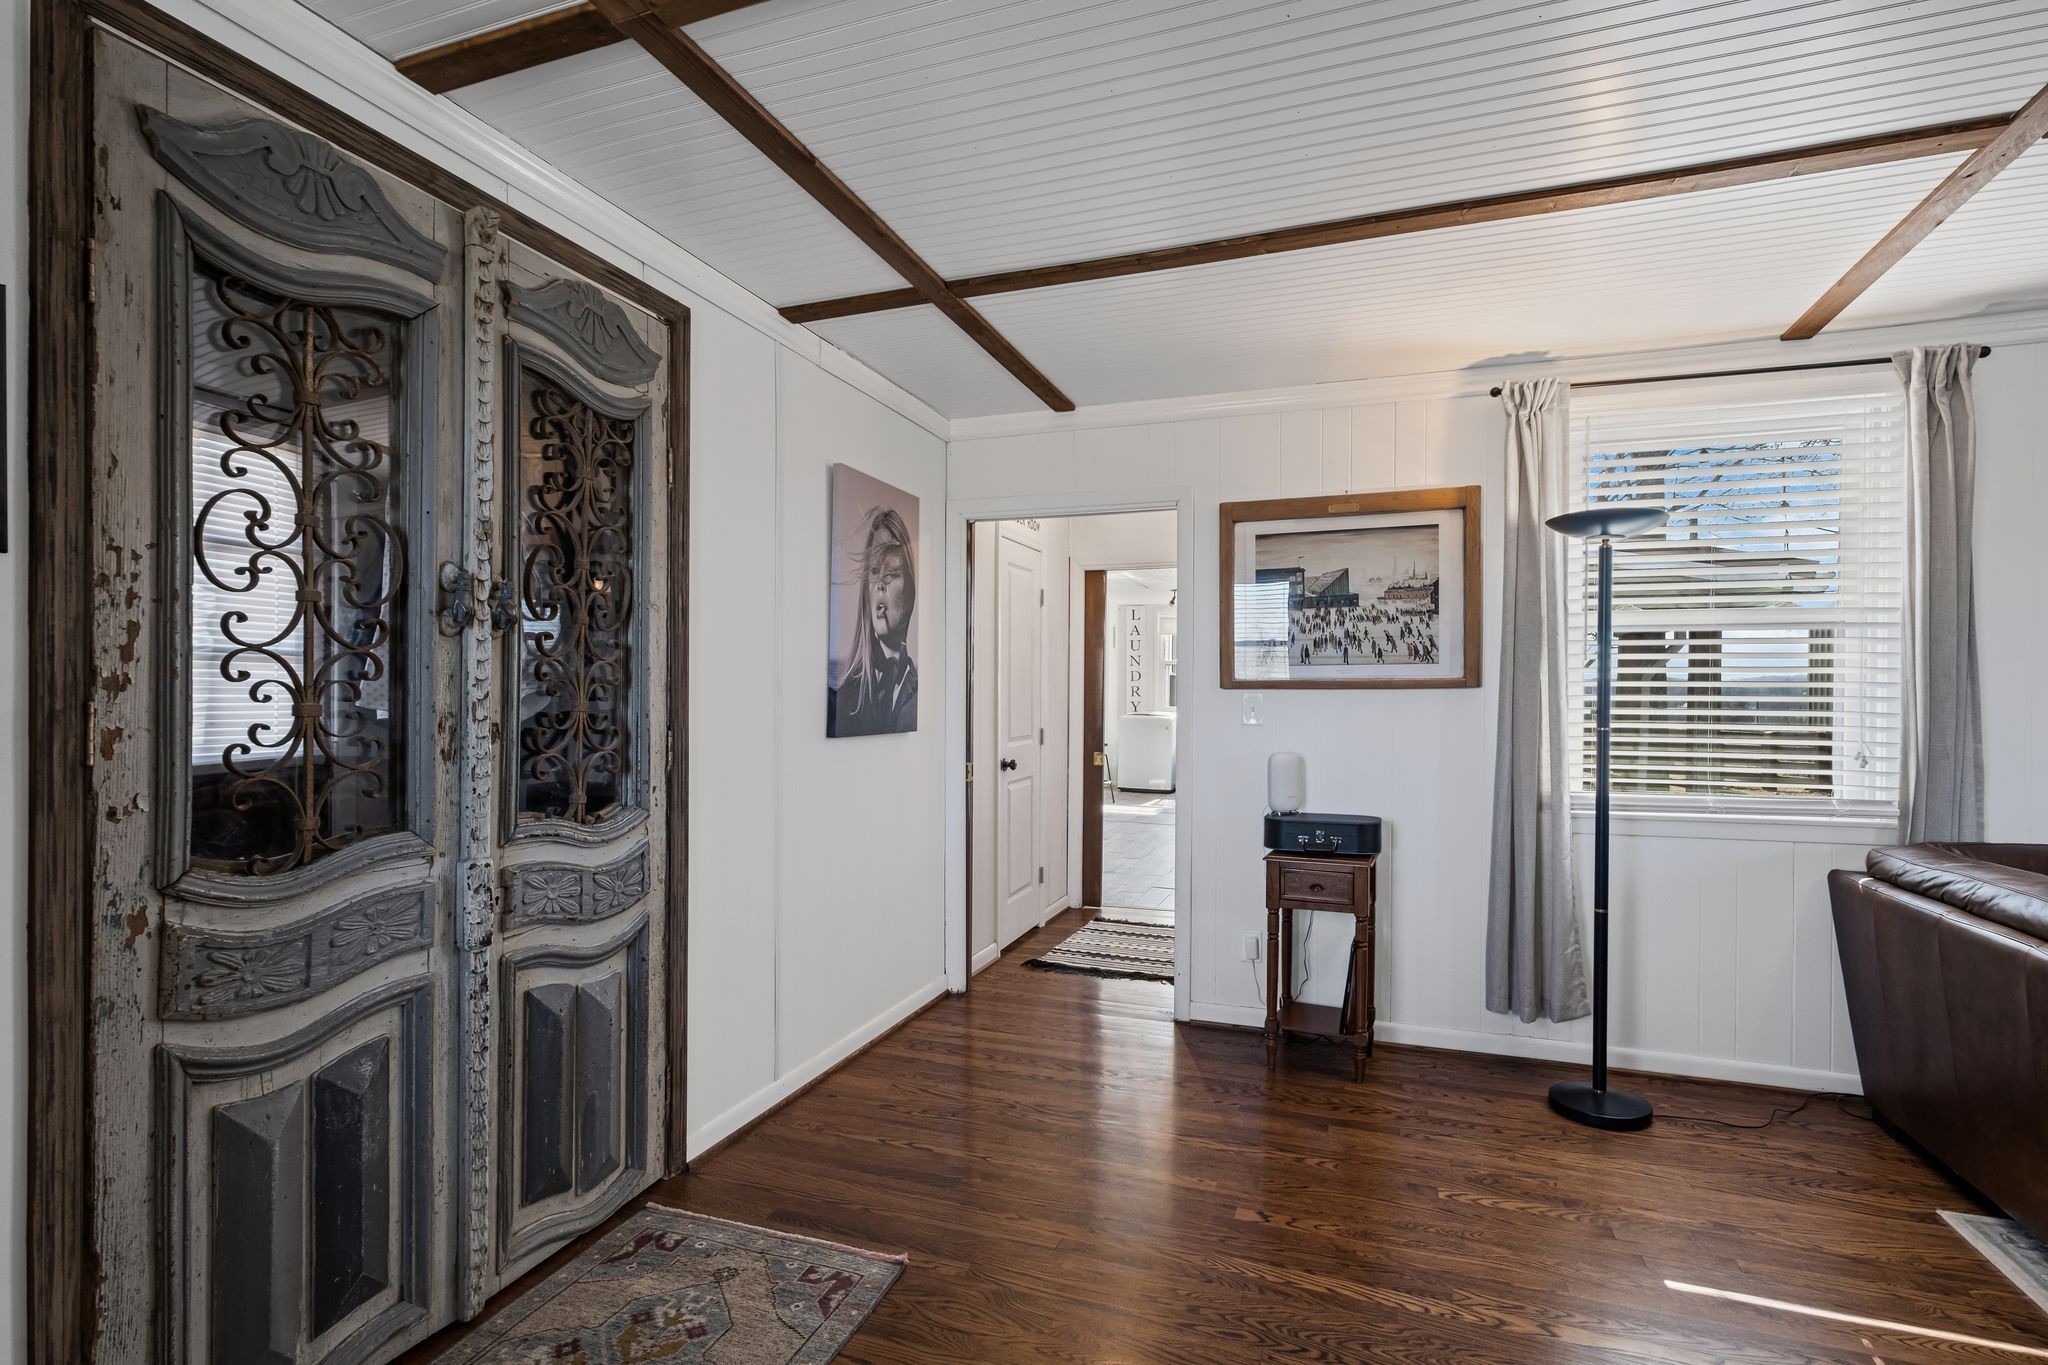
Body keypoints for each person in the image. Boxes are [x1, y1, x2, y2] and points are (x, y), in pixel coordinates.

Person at [828, 506, 918, 737]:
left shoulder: (919, 691)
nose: (880, 585)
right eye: (875, 572)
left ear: (909, 590)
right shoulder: (841, 696)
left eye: (891, 574)